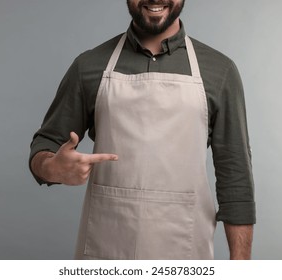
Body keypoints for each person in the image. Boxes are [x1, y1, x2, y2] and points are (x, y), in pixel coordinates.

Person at [29, 0, 256, 260]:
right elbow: (45, 143)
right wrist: (51, 167)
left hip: (184, 250)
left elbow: (235, 180)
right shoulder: (89, 66)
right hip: (104, 250)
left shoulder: (220, 71)